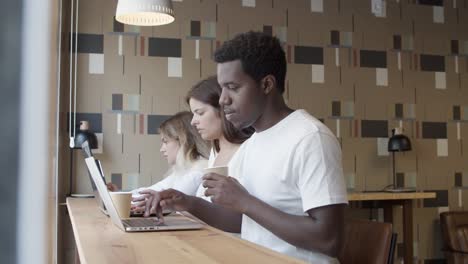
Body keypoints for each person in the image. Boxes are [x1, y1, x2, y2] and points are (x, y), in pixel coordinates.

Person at [135, 31, 348, 263]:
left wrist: (246, 202)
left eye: (233, 87)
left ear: (267, 84)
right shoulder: (252, 144)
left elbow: (329, 240)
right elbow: (241, 220)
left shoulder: (310, 138)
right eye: (221, 88)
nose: (222, 99)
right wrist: (188, 203)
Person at [107, 111, 210, 216]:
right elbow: (153, 190)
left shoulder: (198, 172)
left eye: (165, 141)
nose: (162, 149)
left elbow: (158, 201)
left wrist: (120, 198)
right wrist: (119, 195)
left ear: (183, 140)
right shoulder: (186, 170)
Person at [186, 76, 253, 200]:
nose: (193, 122)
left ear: (223, 110)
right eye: (193, 114)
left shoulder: (249, 150)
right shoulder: (215, 151)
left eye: (200, 113)